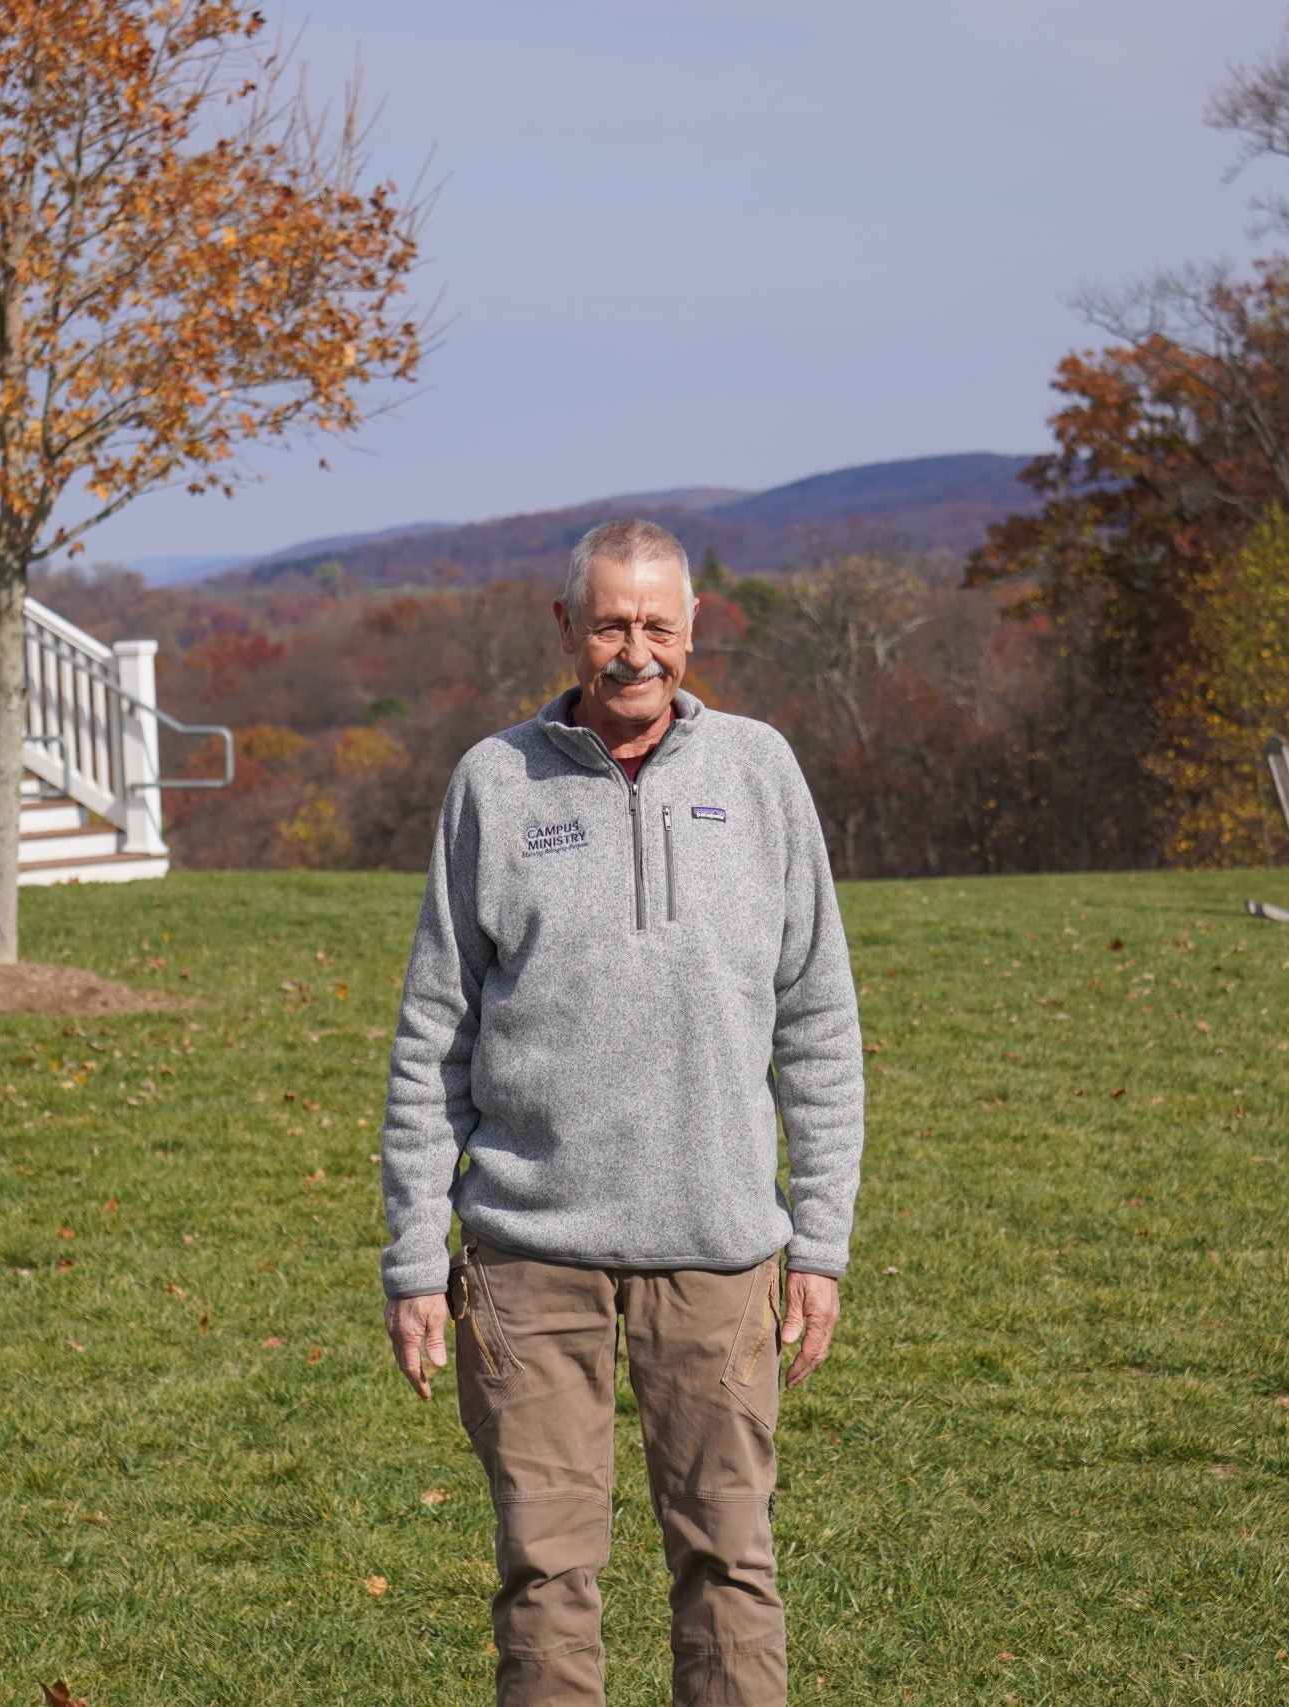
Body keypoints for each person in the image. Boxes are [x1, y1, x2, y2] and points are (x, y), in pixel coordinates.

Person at [376, 518, 867, 1706]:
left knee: (729, 1565)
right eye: (609, 624)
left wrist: (821, 1244)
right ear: (567, 630)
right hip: (528, 1260)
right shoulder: (495, 782)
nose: (633, 650)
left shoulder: (760, 773)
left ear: (692, 628)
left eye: (657, 624)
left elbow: (818, 1026)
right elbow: (432, 1035)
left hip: (720, 1251)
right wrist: (410, 1260)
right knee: (545, 1576)